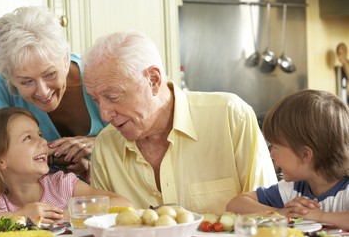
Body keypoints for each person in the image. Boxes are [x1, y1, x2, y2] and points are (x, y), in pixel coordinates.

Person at [81, 31, 277, 214]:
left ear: (153, 80)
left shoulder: (231, 116)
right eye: (96, 100)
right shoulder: (106, 145)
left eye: (113, 96)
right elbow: (105, 232)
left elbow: (267, 215)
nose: (104, 116)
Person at [0, 6, 107, 181]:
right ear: (9, 78)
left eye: (50, 74)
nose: (43, 92)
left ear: (65, 60)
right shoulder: (2, 78)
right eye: (26, 81)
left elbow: (144, 132)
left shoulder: (99, 74)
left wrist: (99, 143)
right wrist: (41, 152)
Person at [0, 107, 133, 223]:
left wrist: (67, 215)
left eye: (40, 134)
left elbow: (124, 204)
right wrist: (19, 216)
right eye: (28, 138)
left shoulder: (62, 185)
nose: (43, 141)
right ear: (0, 160)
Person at [226, 90, 349, 230]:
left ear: (305, 155)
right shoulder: (293, 189)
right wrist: (281, 213)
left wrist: (319, 216)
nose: (271, 154)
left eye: (276, 147)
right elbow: (235, 204)